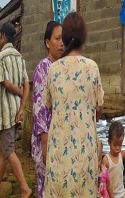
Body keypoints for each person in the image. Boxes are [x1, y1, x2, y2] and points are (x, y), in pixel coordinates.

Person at [43, 11, 104, 197]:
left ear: (65, 37)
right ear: (84, 37)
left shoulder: (53, 70)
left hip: (58, 151)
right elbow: (99, 107)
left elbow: (50, 105)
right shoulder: (92, 68)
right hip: (84, 150)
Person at [0, 22, 32, 198]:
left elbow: (6, 83)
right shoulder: (19, 58)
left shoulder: (0, 57)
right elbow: (27, 85)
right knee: (5, 150)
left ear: (4, 37)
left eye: (0, 36)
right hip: (17, 111)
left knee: (8, 150)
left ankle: (24, 188)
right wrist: (22, 107)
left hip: (7, 112)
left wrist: (18, 91)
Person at [31, 21, 63, 198]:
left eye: (63, 39)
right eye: (57, 39)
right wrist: (45, 143)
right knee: (46, 188)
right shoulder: (43, 69)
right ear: (47, 42)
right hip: (46, 139)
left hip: (59, 140)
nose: (61, 43)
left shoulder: (62, 68)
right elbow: (40, 109)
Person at [101, 121, 125, 198]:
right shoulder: (106, 160)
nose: (117, 148)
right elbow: (104, 181)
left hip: (121, 194)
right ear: (109, 142)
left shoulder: (121, 155)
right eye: (115, 145)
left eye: (120, 145)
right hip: (109, 195)